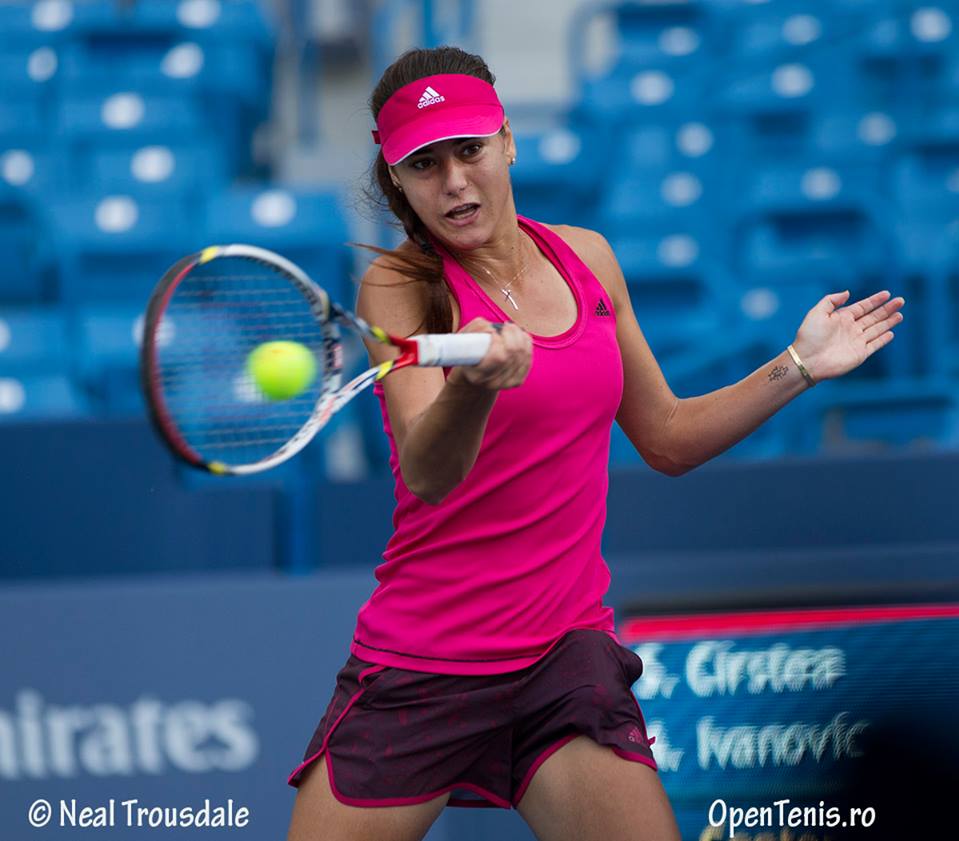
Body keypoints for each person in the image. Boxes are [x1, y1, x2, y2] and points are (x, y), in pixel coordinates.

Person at [286, 46, 905, 841]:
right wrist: (475, 386)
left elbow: (668, 438)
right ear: (397, 181)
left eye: (470, 150)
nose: (455, 182)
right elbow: (429, 471)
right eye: (425, 165)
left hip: (563, 657)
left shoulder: (589, 259)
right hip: (428, 659)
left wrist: (799, 365)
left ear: (508, 141)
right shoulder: (399, 287)